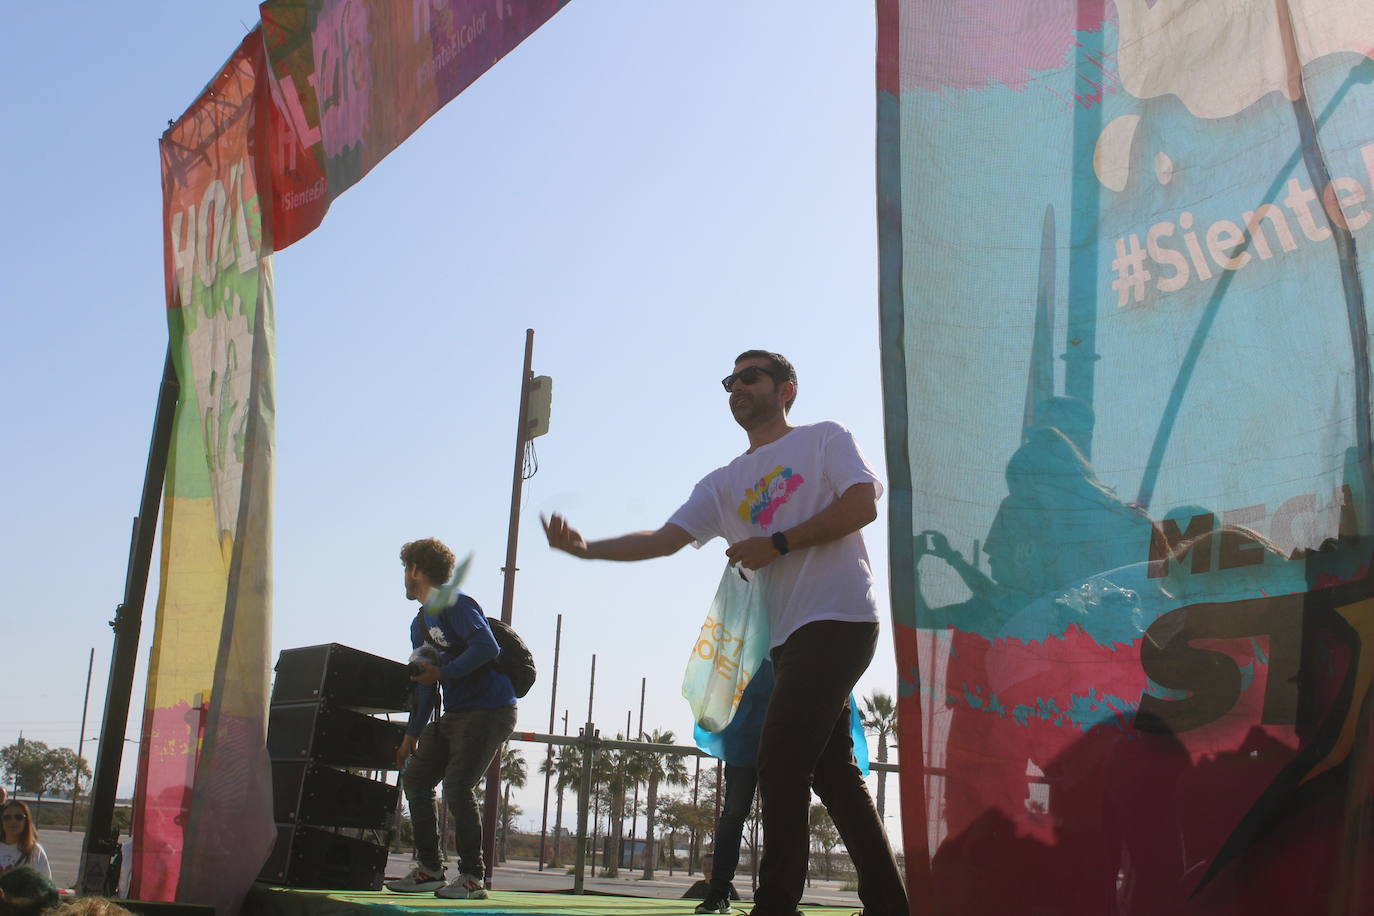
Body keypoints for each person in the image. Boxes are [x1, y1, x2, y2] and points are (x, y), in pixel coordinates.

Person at [544, 350, 908, 916]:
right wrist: (590, 549)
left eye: (750, 376)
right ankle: (890, 904)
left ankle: (776, 906)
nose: (736, 387)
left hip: (839, 619)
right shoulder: (722, 483)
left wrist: (778, 542)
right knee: (832, 772)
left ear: (786, 389)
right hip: (786, 642)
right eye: (729, 381)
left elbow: (863, 505)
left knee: (781, 762)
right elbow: (664, 539)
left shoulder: (824, 438)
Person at [385, 538, 518, 901]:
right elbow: (424, 683)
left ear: (414, 569)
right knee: (416, 779)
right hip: (455, 714)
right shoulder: (419, 624)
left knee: (457, 786)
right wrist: (411, 734)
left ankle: (473, 877)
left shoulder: (457, 604)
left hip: (491, 709)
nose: (404, 578)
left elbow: (487, 646)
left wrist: (444, 674)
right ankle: (430, 869)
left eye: (405, 570)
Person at [0, 803, 50, 879]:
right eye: (7, 817)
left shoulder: (35, 850)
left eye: (18, 817)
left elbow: (45, 886)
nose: (13, 821)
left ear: (26, 821)